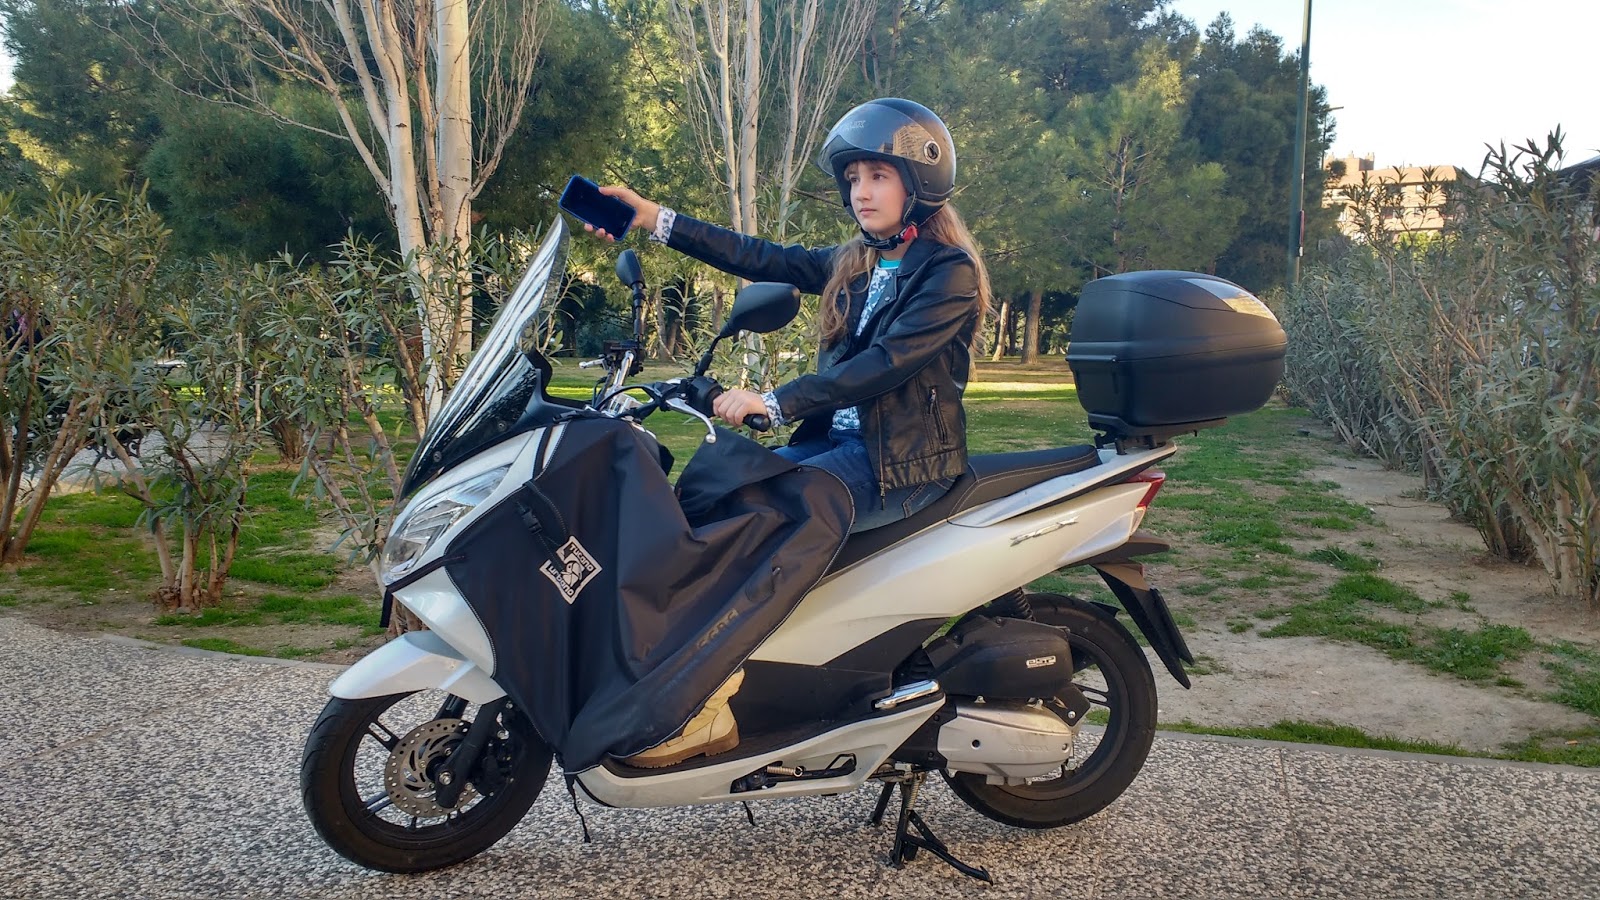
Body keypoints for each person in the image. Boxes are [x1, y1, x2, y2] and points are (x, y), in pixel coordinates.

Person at [586, 98, 992, 767]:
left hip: (900, 465)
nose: (861, 191)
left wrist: (774, 403)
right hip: (838, 446)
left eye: (878, 176)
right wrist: (652, 217)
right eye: (854, 177)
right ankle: (664, 666)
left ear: (919, 184)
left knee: (768, 522)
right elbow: (760, 257)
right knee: (711, 495)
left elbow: (884, 364)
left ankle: (711, 704)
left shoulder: (948, 271)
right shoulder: (858, 260)